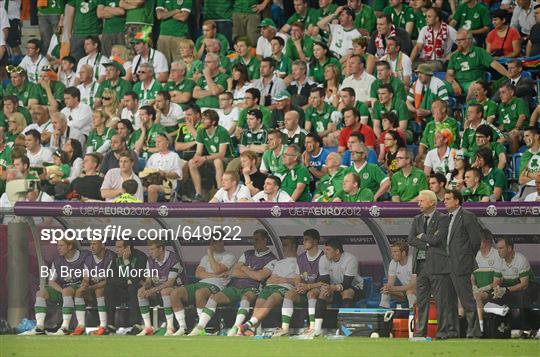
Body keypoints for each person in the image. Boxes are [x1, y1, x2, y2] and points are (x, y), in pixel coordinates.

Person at [188, 230, 277, 336]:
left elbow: (260, 277)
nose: (253, 242)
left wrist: (244, 268)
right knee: (214, 297)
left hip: (253, 288)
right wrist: (253, 272)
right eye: (253, 239)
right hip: (235, 286)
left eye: (256, 239)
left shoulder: (272, 259)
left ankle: (235, 328)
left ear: (265, 240)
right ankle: (200, 327)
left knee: (246, 298)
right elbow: (234, 272)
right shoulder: (247, 253)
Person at [408, 190, 454, 339]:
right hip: (421, 266)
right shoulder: (416, 219)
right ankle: (420, 333)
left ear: (432, 202)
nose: (418, 203)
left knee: (441, 302)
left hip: (438, 266)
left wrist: (423, 237)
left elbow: (438, 239)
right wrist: (427, 244)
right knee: (421, 302)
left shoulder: (443, 218)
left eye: (421, 201)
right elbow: (411, 239)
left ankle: (442, 333)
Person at [23, 239, 91, 335]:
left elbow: (87, 277)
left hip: (81, 288)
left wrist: (83, 285)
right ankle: (39, 327)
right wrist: (62, 290)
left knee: (67, 291)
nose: (58, 248)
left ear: (70, 246)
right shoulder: (58, 261)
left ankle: (65, 327)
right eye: (58, 245)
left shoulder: (84, 256)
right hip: (65, 290)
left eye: (61, 245)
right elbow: (51, 282)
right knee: (41, 293)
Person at [170, 239, 236, 336]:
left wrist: (210, 254)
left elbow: (217, 269)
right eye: (211, 242)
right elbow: (198, 274)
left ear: (222, 242)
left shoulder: (230, 256)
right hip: (201, 283)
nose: (212, 244)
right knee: (175, 293)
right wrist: (216, 275)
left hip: (218, 285)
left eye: (215, 242)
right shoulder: (205, 258)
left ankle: (202, 327)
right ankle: (182, 327)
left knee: (200, 293)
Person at [238, 237, 300, 336]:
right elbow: (269, 278)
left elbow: (300, 280)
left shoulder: (300, 261)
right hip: (270, 286)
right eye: (283, 245)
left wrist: (286, 280)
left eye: (285, 245)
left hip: (285, 287)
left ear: (293, 246)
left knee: (272, 298)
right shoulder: (279, 262)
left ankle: (249, 323)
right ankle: (252, 328)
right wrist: (270, 280)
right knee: (259, 301)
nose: (283, 248)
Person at [444, 189, 482, 338]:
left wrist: (465, 258)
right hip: (447, 265)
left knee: (467, 300)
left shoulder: (467, 216)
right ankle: (452, 332)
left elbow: (475, 241)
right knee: (449, 302)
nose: (445, 201)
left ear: (457, 201)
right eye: (444, 199)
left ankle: (474, 333)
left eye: (448, 199)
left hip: (461, 264)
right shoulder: (446, 218)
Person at [273, 229, 326, 337]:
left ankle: (312, 328)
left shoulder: (324, 257)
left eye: (307, 239)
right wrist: (298, 286)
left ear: (315, 241)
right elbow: (297, 276)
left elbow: (325, 281)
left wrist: (308, 286)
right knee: (289, 294)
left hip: (321, 290)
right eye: (303, 239)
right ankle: (285, 329)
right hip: (305, 290)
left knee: (312, 293)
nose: (304, 242)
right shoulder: (301, 258)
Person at [307, 239, 364, 337]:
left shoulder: (351, 259)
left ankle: (345, 329)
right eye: (325, 249)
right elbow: (325, 280)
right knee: (323, 292)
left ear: (337, 251)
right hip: (333, 287)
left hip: (354, 287)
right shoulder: (323, 259)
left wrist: (332, 288)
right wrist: (327, 288)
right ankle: (317, 329)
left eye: (328, 250)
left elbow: (347, 283)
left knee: (346, 293)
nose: (325, 252)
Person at [136, 241, 186, 336]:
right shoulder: (150, 260)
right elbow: (148, 281)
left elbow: (170, 283)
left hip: (178, 289)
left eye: (152, 249)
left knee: (165, 291)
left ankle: (170, 327)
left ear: (161, 249)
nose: (150, 252)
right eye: (149, 250)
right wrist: (144, 287)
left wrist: (152, 290)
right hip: (158, 290)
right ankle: (148, 327)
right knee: (141, 293)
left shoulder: (173, 259)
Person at [70, 240, 116, 336]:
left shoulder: (111, 257)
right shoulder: (89, 258)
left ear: (102, 245)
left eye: (94, 244)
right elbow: (86, 278)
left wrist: (90, 288)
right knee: (79, 292)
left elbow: (109, 280)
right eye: (90, 244)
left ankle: (103, 326)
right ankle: (81, 326)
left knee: (99, 290)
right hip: (92, 290)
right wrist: (84, 284)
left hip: (109, 291)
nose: (91, 247)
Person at [189, 109, 236, 202]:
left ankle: (220, 193)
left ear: (213, 122)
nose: (202, 121)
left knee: (217, 161)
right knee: (191, 163)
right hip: (211, 157)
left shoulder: (222, 131)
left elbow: (222, 153)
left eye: (205, 119)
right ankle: (198, 194)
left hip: (228, 158)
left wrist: (204, 158)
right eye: (202, 118)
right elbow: (198, 152)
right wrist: (196, 158)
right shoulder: (201, 131)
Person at [446, 30, 508, 97]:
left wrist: (508, 74)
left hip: (473, 82)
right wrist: (453, 83)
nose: (458, 43)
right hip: (458, 83)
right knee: (439, 85)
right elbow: (449, 74)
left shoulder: (479, 52)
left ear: (469, 40)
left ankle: (469, 105)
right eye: (457, 40)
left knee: (474, 86)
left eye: (461, 40)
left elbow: (494, 64)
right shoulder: (454, 56)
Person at [105, 240, 148, 333]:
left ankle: (136, 325)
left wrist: (126, 261)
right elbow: (110, 278)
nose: (116, 250)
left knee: (133, 288)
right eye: (116, 247)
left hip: (135, 290)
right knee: (109, 289)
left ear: (128, 248)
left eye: (119, 247)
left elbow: (137, 278)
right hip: (122, 289)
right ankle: (110, 325)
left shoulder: (140, 257)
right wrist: (127, 281)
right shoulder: (116, 258)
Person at [492, 237, 535, 309]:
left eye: (501, 248)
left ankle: (523, 320)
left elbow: (524, 285)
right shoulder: (498, 260)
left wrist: (506, 290)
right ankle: (499, 320)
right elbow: (496, 282)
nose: (498, 251)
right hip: (509, 286)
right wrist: (497, 290)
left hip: (527, 287)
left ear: (509, 249)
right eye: (498, 248)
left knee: (522, 298)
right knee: (493, 297)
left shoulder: (521, 259)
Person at [472, 229, 500, 333]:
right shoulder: (475, 255)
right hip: (476, 290)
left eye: (479, 240)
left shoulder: (497, 255)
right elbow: (472, 276)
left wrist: (482, 289)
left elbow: (497, 282)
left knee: (478, 296)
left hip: (491, 291)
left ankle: (481, 328)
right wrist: (474, 286)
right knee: (461, 296)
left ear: (487, 241)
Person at [144, 134, 183, 202]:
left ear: (167, 143)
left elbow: (178, 174)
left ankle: (150, 212)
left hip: (167, 184)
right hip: (152, 181)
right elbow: (146, 171)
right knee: (135, 186)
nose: (157, 144)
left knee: (152, 188)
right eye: (156, 142)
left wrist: (165, 174)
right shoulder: (153, 156)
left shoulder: (174, 156)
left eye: (159, 142)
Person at [379, 240, 416, 308]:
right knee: (386, 290)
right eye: (392, 252)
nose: (392, 254)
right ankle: (382, 311)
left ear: (403, 253)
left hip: (420, 292)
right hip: (404, 291)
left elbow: (413, 285)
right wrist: (387, 287)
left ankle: (413, 313)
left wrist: (394, 288)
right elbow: (390, 283)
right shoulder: (393, 263)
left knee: (410, 292)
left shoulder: (413, 262)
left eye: (395, 252)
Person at [497, 83, 530, 154]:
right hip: (506, 132)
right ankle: (504, 162)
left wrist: (516, 128)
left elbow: (522, 117)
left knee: (513, 134)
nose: (500, 95)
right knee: (497, 140)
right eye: (500, 93)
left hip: (521, 130)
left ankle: (513, 160)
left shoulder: (519, 101)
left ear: (511, 93)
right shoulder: (501, 106)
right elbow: (502, 125)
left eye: (503, 92)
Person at [155, 0, 191, 64]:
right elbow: (159, 15)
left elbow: (183, 17)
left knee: (180, 65)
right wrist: (175, 11)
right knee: (163, 64)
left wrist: (167, 13)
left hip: (179, 36)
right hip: (163, 36)